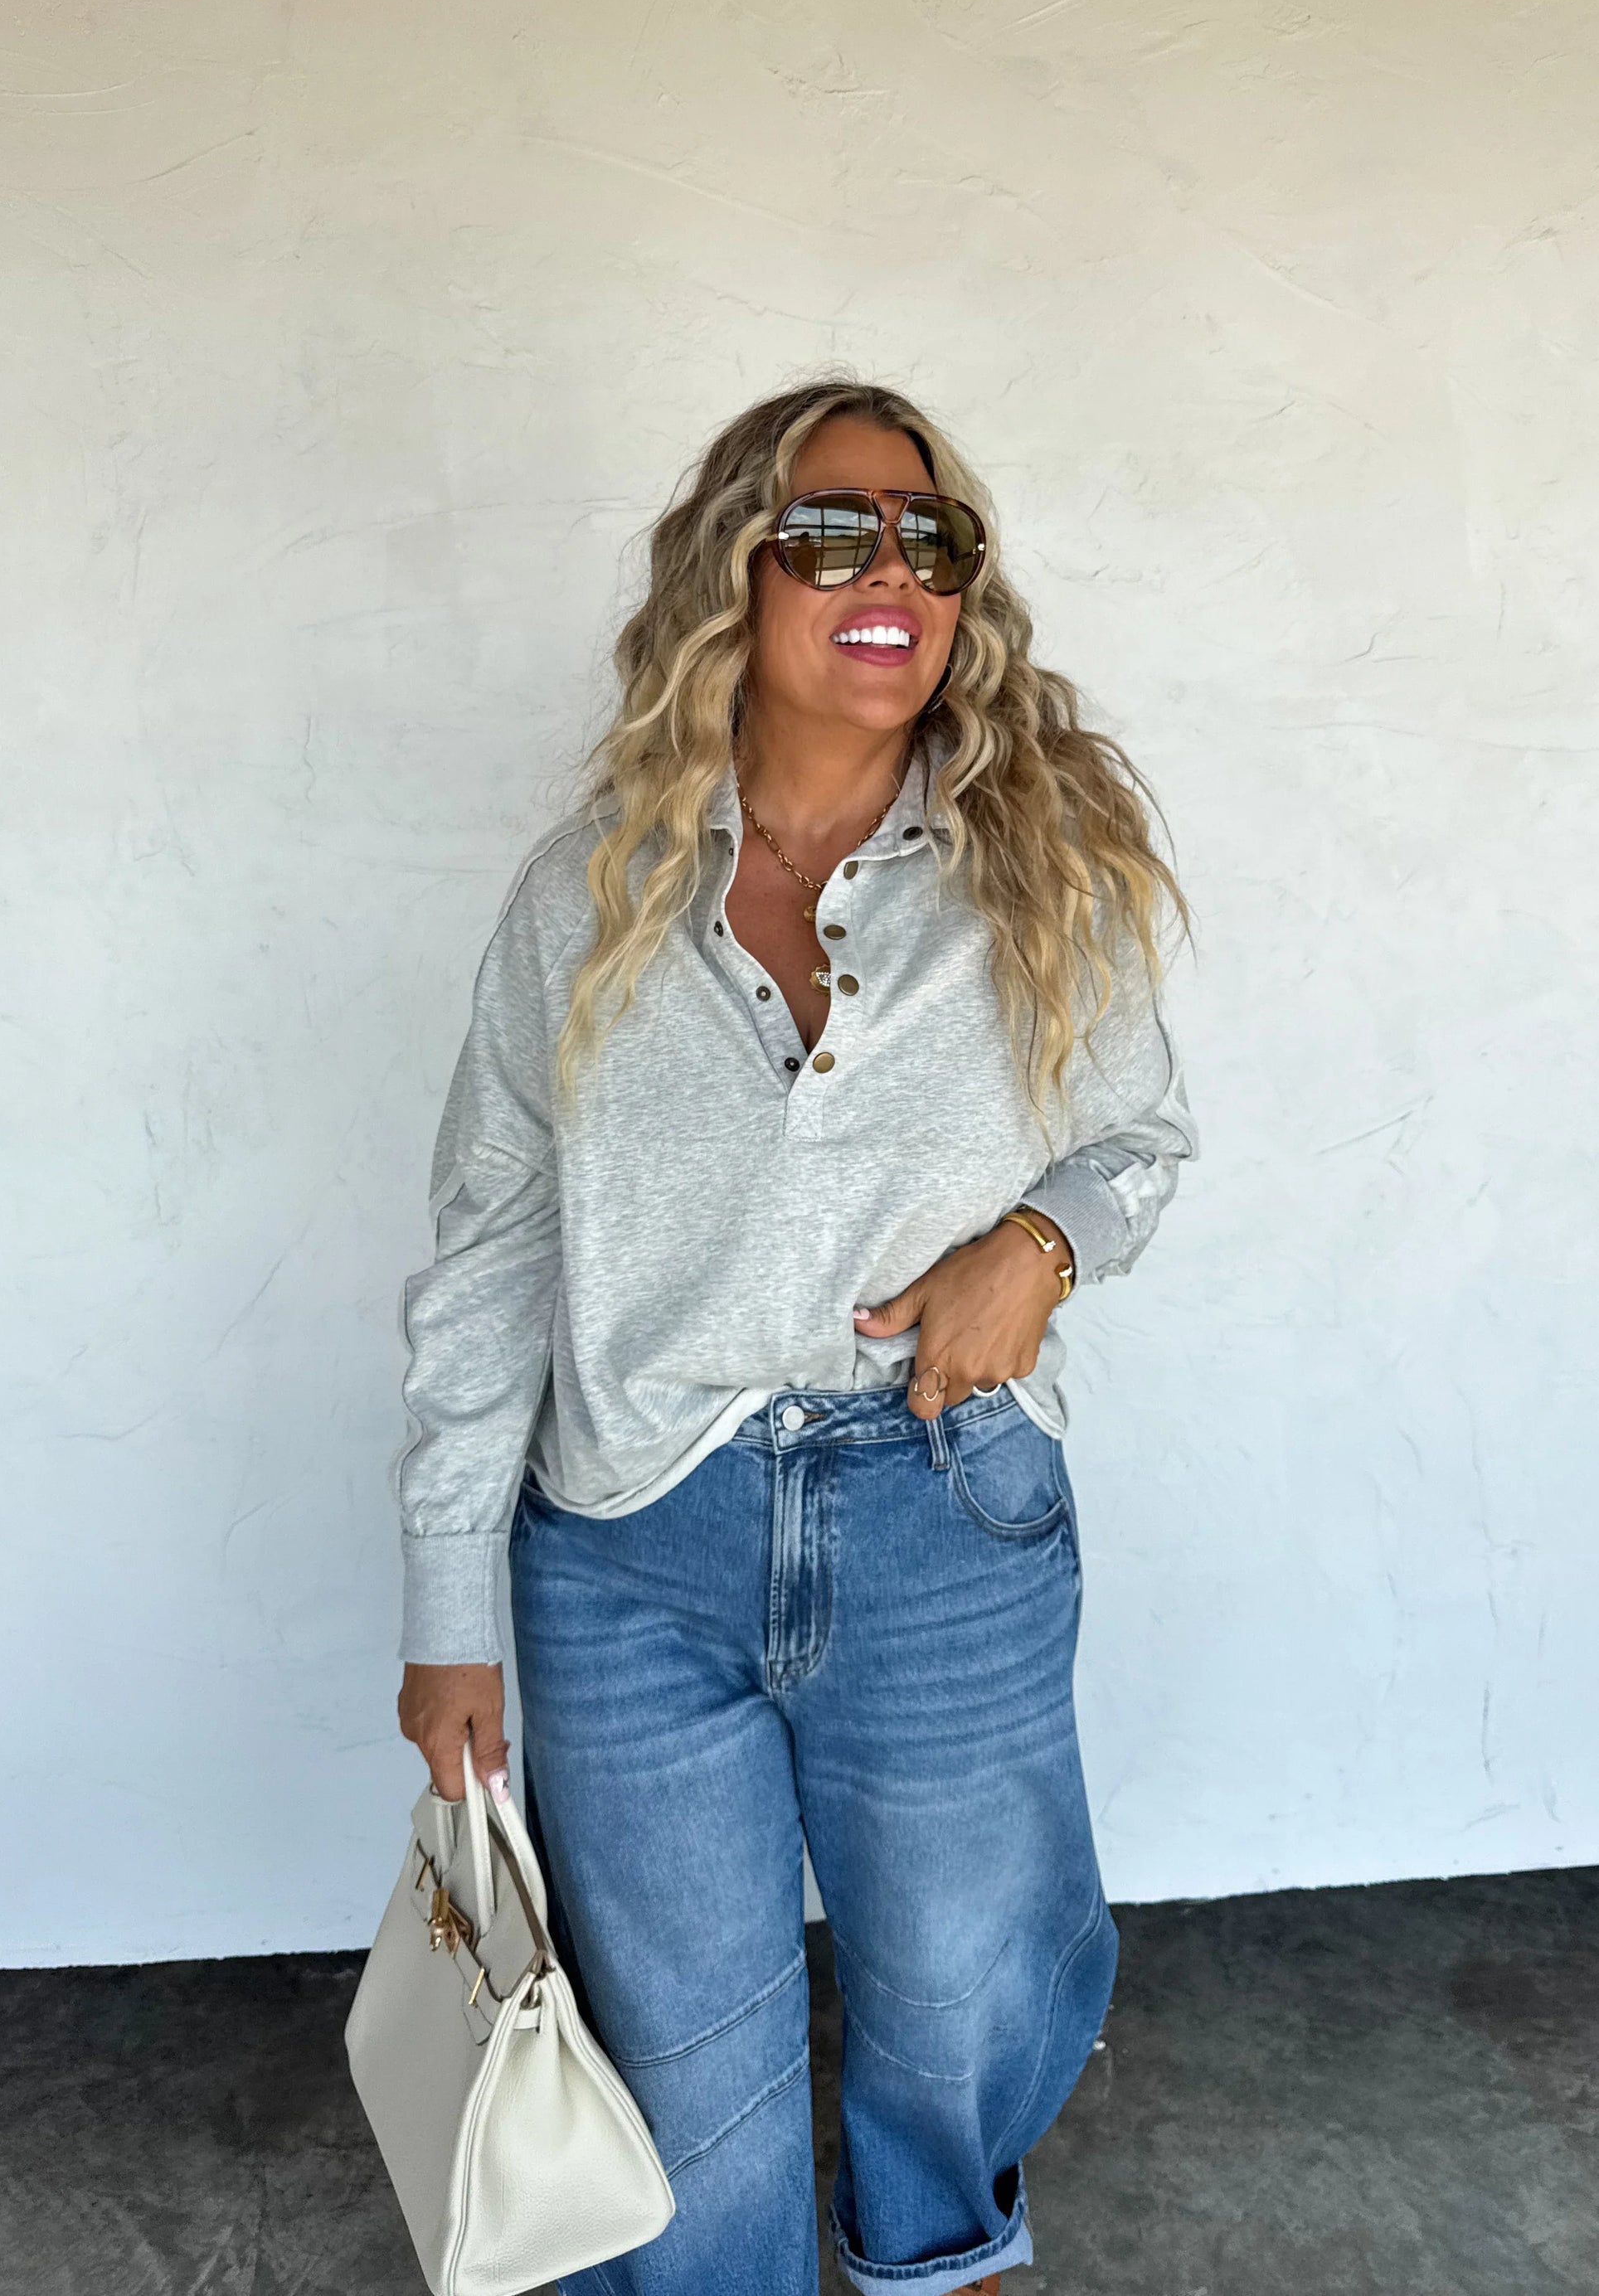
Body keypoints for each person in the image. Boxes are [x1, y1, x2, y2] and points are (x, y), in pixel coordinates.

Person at [393, 376, 1196, 2296]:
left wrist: (1037, 1245)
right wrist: (446, 1597)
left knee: (964, 1979)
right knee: (680, 2063)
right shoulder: (586, 893)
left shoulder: (1039, 864)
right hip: (627, 1542)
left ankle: (937, 2256)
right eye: (832, 530)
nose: (889, 571)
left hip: (942, 1508)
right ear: (733, 578)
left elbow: (1137, 1141)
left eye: (932, 539)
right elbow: (490, 1244)